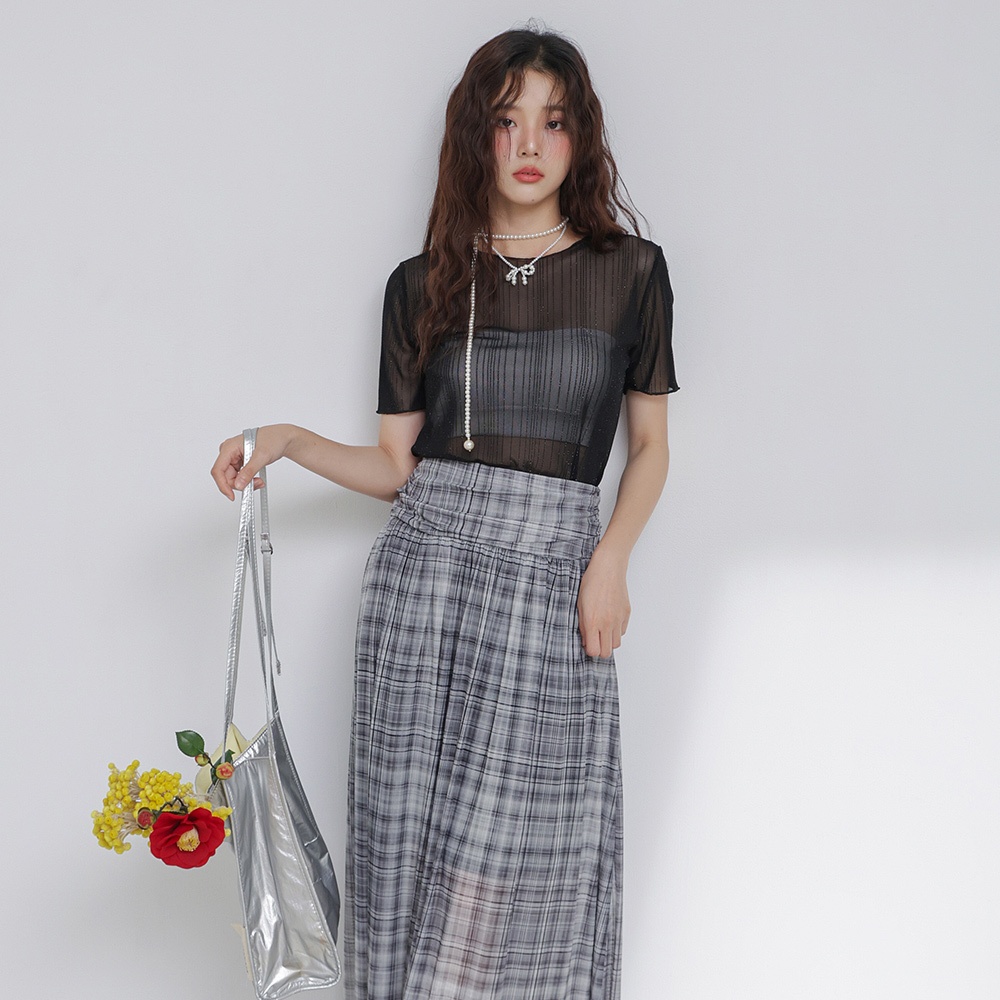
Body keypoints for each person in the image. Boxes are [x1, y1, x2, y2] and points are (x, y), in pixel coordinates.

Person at [212, 26, 677, 1000]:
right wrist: (288, 439)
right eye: (506, 121)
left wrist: (610, 561)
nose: (529, 144)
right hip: (424, 581)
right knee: (407, 859)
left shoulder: (630, 272)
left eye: (553, 122)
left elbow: (649, 449)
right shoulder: (422, 282)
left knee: (527, 868)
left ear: (581, 138)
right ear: (476, 136)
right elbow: (396, 467)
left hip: (555, 576)